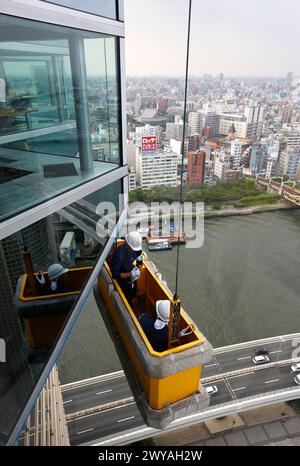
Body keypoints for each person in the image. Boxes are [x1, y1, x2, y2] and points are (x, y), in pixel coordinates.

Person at [110, 231, 143, 304]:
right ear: (127, 243)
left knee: (133, 291)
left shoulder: (137, 250)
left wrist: (138, 270)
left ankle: (131, 300)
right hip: (121, 279)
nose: (134, 250)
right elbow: (115, 275)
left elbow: (139, 260)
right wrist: (131, 273)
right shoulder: (119, 254)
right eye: (133, 248)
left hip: (130, 273)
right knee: (125, 295)